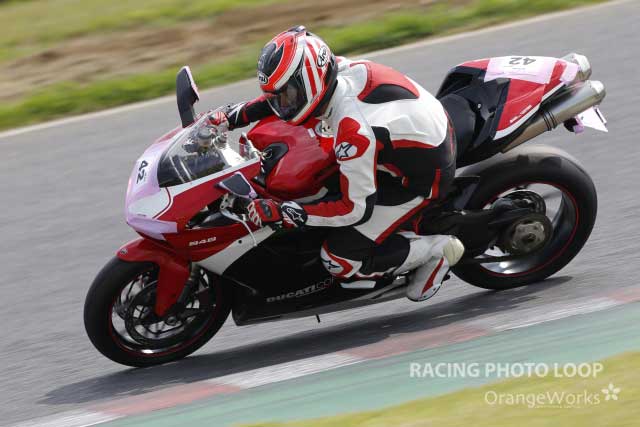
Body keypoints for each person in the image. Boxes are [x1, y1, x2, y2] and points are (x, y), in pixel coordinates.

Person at [208, 25, 464, 301]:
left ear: (309, 82)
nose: (281, 104)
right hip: (412, 129)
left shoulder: (353, 131)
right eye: (277, 96)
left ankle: (437, 251)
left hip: (420, 176)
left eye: (287, 95)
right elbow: (273, 100)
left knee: (339, 259)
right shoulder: (333, 71)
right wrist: (232, 116)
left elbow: (354, 209)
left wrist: (288, 212)